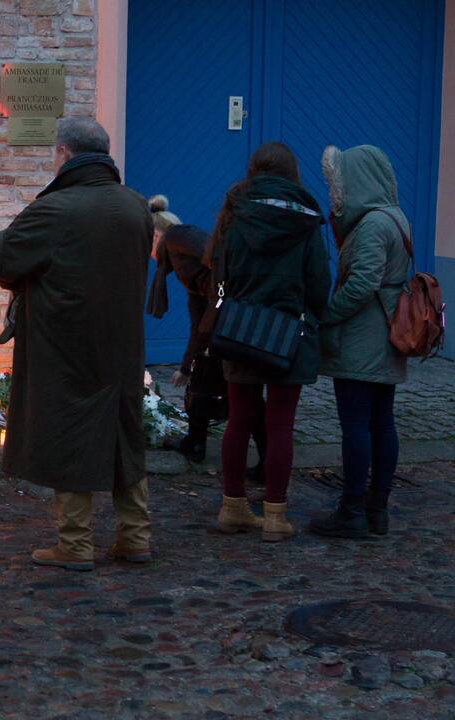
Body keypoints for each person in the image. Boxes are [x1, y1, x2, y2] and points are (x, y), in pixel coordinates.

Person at [0, 117, 153, 570]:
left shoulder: (55, 210)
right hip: (123, 343)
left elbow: (1, 257)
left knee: (72, 430)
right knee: (123, 431)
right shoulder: (137, 207)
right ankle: (135, 535)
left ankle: (74, 544)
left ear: (63, 154)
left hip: (67, 343)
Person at [205, 142, 331, 542]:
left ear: (253, 171)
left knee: (238, 420)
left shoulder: (234, 214)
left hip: (241, 329)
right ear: (291, 173)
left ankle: (233, 507)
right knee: (280, 425)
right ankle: (275, 515)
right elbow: (318, 284)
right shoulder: (308, 219)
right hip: (289, 333)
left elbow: (219, 274)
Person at [308, 145, 409, 539]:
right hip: (385, 337)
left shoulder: (371, 225)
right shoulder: (395, 217)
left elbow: (362, 284)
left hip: (364, 339)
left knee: (357, 426)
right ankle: (376, 510)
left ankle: (352, 510)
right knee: (382, 423)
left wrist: (328, 315)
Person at [146, 199, 267, 476]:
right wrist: (186, 365)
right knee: (206, 377)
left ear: (155, 234)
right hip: (222, 315)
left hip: (232, 314)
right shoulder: (178, 262)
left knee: (245, 393)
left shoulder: (178, 236)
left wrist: (220, 301)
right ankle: (195, 443)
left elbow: (219, 263)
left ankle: (266, 460)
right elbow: (197, 320)